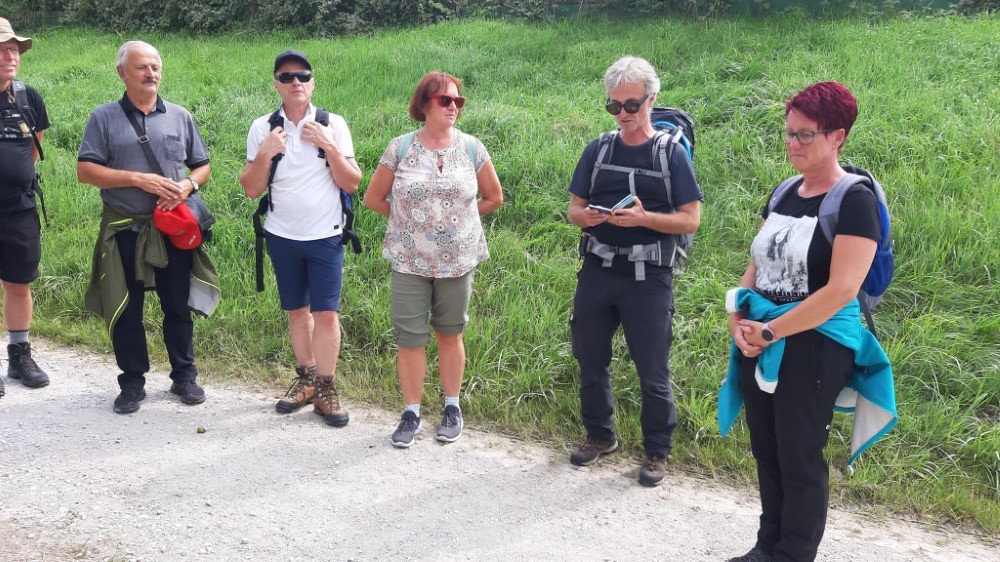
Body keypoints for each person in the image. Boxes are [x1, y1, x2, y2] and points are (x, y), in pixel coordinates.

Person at [724, 82, 889, 562]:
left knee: (798, 454)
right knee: (767, 448)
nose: (792, 143)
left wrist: (771, 331)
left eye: (805, 135)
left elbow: (841, 290)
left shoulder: (853, 200)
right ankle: (766, 547)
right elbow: (757, 265)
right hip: (762, 337)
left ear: (837, 137)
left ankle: (793, 554)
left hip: (815, 344)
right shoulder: (783, 193)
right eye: (789, 133)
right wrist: (738, 317)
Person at [566, 56, 702, 487]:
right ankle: (599, 435)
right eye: (614, 106)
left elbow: (691, 219)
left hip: (649, 277)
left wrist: (645, 219)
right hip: (598, 268)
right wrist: (587, 217)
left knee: (652, 368)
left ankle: (657, 452)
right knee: (590, 357)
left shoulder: (670, 154)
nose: (622, 114)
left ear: (652, 99)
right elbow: (573, 209)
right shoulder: (599, 150)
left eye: (631, 105)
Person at [78, 41, 219, 414]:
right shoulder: (103, 118)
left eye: (155, 66)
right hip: (125, 229)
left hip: (172, 229)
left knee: (177, 305)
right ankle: (132, 382)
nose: (151, 73)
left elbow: (202, 165)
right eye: (142, 67)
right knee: (128, 310)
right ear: (122, 73)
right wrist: (138, 179)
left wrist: (188, 186)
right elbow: (85, 171)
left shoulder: (180, 116)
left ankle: (184, 377)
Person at [364, 71, 503, 448]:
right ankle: (411, 413)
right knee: (410, 338)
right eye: (445, 100)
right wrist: (412, 225)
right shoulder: (400, 148)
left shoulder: (472, 147)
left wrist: (458, 223)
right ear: (424, 105)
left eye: (458, 101)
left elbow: (494, 197)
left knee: (450, 332)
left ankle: (452, 408)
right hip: (409, 261)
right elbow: (373, 199)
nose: (453, 107)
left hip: (457, 261)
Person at [239, 50, 361, 427]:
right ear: (276, 84)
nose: (296, 82)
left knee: (326, 314)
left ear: (312, 83)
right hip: (282, 236)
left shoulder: (332, 124)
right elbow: (251, 189)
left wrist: (328, 145)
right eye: (287, 76)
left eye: (303, 76)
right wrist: (265, 154)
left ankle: (326, 388)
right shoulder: (263, 128)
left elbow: (352, 182)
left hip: (326, 236)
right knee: (297, 311)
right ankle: (306, 380)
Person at [0, 17, 50, 397]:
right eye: (2, 50)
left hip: (19, 207)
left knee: (19, 282)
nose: (11, 56)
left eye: (14, 49)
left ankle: (19, 357)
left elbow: (35, 144)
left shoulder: (28, 97)